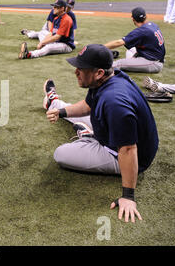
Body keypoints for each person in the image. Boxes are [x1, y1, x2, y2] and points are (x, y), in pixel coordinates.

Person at [43, 44, 159, 223]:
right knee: (68, 111)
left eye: (81, 69)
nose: (76, 72)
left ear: (98, 73)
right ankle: (56, 104)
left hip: (129, 156)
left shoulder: (114, 102)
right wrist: (62, 113)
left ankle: (86, 136)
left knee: (61, 154)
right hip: (117, 131)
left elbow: (128, 150)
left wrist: (128, 196)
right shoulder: (112, 77)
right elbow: (89, 105)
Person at [104, 7, 165, 73]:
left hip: (153, 63)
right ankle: (132, 63)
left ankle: (100, 67)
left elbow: (119, 42)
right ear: (146, 16)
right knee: (130, 50)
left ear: (133, 19)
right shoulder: (153, 25)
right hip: (155, 56)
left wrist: (100, 47)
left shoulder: (141, 31)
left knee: (120, 63)